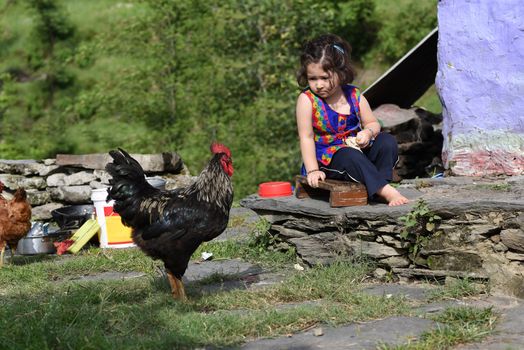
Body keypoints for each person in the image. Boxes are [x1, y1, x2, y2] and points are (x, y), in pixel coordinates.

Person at [295, 34, 409, 206]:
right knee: (349, 155)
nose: (319, 85)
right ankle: (386, 191)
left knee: (386, 141)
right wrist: (312, 170)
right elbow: (306, 137)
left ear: (341, 73)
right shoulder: (307, 100)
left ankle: (380, 183)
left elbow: (372, 123)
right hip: (327, 159)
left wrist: (368, 132)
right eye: (313, 78)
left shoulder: (354, 95)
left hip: (356, 152)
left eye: (325, 78)